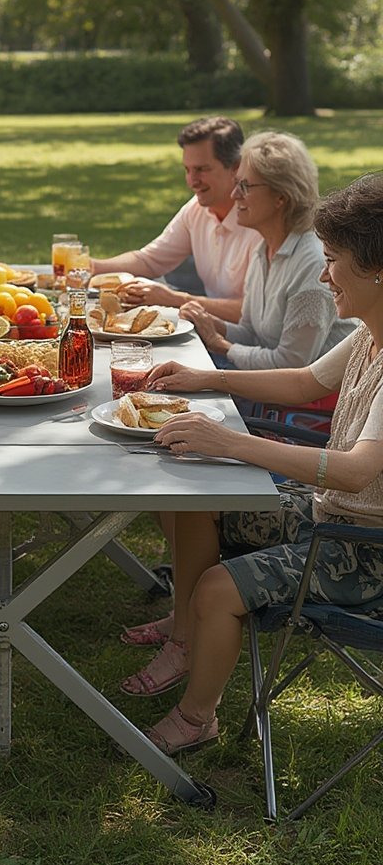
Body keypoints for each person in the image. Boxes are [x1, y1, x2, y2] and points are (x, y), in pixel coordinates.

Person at [120, 172, 383, 756]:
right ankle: (185, 635)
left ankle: (196, 719)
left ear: (377, 270)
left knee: (219, 588)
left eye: (333, 259)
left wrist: (232, 442)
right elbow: (303, 380)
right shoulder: (369, 333)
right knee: (189, 502)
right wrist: (205, 376)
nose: (322, 272)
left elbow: (358, 470)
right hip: (330, 516)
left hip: (366, 549)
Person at [180, 131, 354, 370]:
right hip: (271, 386)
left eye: (244, 186)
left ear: (281, 196)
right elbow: (252, 334)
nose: (234, 195)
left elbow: (292, 364)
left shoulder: (312, 264)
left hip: (309, 405)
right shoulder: (264, 248)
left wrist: (221, 345)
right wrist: (209, 323)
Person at [90, 116, 260, 322]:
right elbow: (150, 260)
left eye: (202, 169)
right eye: (187, 170)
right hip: (215, 333)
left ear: (236, 167)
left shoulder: (260, 222)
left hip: (248, 348)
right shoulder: (197, 209)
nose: (192, 181)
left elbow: (254, 312)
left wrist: (174, 299)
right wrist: (90, 267)